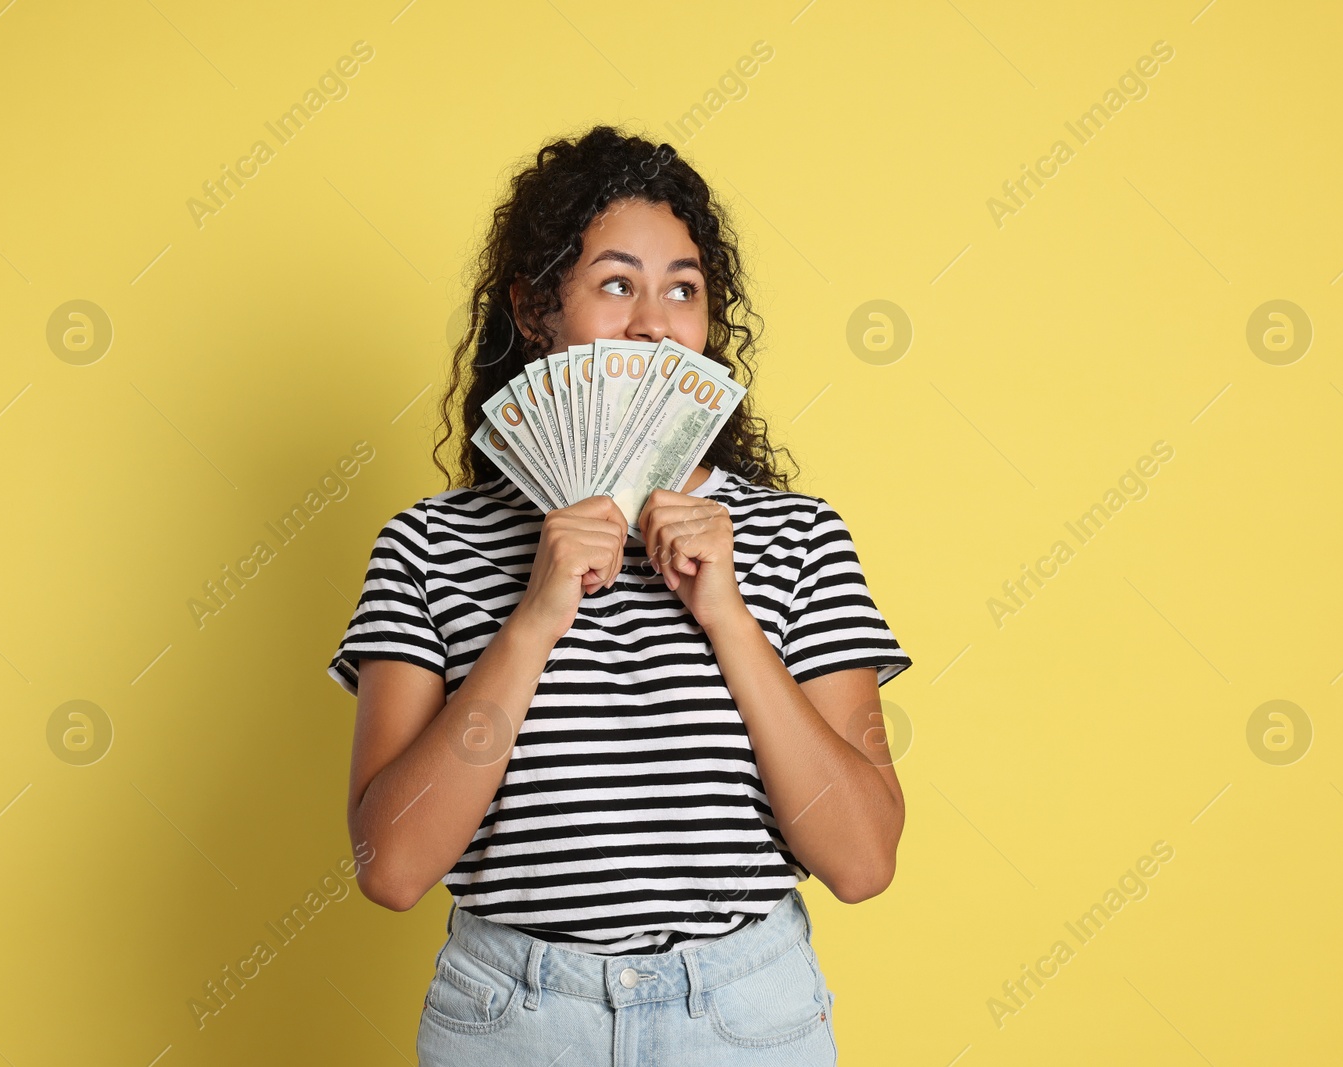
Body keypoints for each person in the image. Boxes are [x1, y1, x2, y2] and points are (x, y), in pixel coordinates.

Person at [325, 125, 911, 1065]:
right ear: (532, 308)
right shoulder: (428, 547)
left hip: (744, 1017)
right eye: (615, 284)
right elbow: (391, 870)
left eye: (683, 288)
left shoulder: (797, 538)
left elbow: (862, 860)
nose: (653, 323)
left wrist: (729, 617)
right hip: (512, 1022)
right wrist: (536, 616)